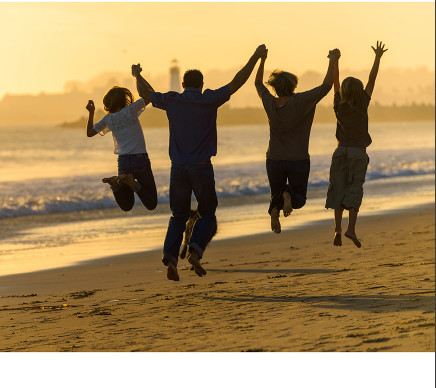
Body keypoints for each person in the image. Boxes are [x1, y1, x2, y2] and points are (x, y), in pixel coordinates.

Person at [136, 45, 266, 281]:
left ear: (183, 84)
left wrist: (137, 75)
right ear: (202, 85)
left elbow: (147, 94)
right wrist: (256, 57)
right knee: (207, 214)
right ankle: (195, 251)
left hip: (178, 168)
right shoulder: (209, 99)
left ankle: (172, 259)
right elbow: (238, 81)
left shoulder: (173, 100)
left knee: (178, 216)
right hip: (202, 167)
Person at [255, 47, 340, 233]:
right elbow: (326, 86)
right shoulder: (302, 100)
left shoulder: (270, 103)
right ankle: (288, 195)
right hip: (298, 159)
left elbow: (258, 83)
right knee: (299, 199)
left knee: (274, 195)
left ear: (275, 87)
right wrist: (333, 60)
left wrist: (261, 59)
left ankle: (276, 208)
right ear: (293, 86)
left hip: (274, 158)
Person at [327, 41, 386, 248]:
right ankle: (351, 228)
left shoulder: (338, 104)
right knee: (354, 189)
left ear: (343, 90)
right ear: (360, 91)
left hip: (340, 151)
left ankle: (337, 229)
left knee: (338, 189)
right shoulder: (363, 102)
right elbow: (372, 79)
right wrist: (377, 57)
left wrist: (335, 62)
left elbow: (335, 80)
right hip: (358, 152)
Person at [85, 64, 158, 212]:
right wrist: (137, 75)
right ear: (125, 99)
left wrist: (91, 112)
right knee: (151, 203)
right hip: (140, 159)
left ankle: (116, 185)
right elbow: (151, 94)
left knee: (127, 205)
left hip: (123, 162)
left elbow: (90, 133)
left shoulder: (108, 119)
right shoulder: (130, 110)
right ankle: (134, 184)